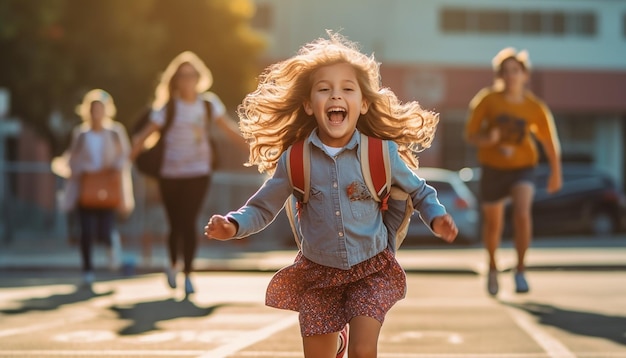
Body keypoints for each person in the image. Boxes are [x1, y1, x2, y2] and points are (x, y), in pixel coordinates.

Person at [204, 32, 458, 358]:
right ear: (310, 105)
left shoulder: (381, 153)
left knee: (364, 351)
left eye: (347, 89)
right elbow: (262, 208)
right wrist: (233, 225)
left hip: (371, 268)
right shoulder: (295, 159)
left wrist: (437, 217)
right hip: (317, 273)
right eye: (324, 89)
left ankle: (350, 343)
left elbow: (420, 192)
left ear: (363, 104)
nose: (336, 95)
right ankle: (335, 341)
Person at [130, 51, 246, 296]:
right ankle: (173, 264)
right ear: (175, 80)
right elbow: (146, 134)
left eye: (191, 75)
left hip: (198, 172)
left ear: (199, 77)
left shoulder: (208, 104)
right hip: (170, 173)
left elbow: (227, 128)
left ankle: (189, 273)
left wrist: (253, 147)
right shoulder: (168, 108)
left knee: (189, 220)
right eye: (182, 76)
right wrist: (127, 156)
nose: (187, 80)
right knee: (175, 223)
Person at [464, 47, 562, 296]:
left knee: (521, 212)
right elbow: (471, 134)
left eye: (515, 71)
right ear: (500, 75)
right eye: (505, 72)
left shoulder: (534, 107)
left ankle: (520, 270)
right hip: (493, 168)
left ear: (524, 75)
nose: (510, 76)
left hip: (523, 167)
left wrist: (556, 172)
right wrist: (489, 139)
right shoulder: (487, 100)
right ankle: (493, 268)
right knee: (494, 224)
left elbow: (549, 141)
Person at [57, 89, 134, 286]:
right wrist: (77, 169)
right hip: (87, 186)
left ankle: (112, 247)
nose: (96, 113)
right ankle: (88, 271)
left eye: (99, 109)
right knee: (86, 232)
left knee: (105, 231)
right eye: (92, 109)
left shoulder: (115, 132)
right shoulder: (81, 134)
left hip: (107, 186)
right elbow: (72, 159)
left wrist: (113, 170)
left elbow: (124, 157)